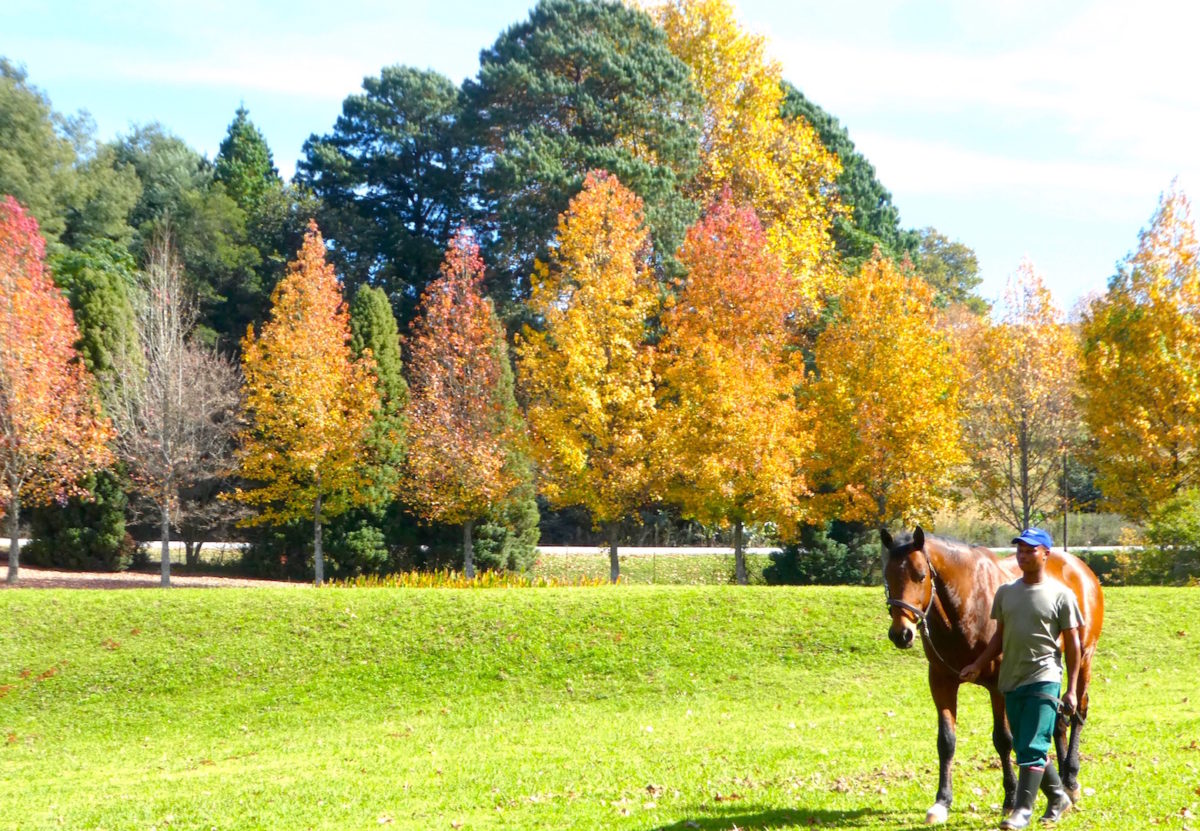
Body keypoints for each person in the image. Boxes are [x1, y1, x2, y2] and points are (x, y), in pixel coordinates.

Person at [960, 527, 1083, 829]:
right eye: (1020, 551)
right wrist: (977, 664)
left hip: (1045, 677)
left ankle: (1022, 811)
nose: (1024, 556)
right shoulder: (1006, 593)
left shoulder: (1061, 595)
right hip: (1011, 679)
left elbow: (1075, 644)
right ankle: (1057, 797)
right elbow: (998, 638)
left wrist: (1072, 689)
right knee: (1025, 746)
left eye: (1030, 550)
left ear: (1045, 554)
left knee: (1033, 745)